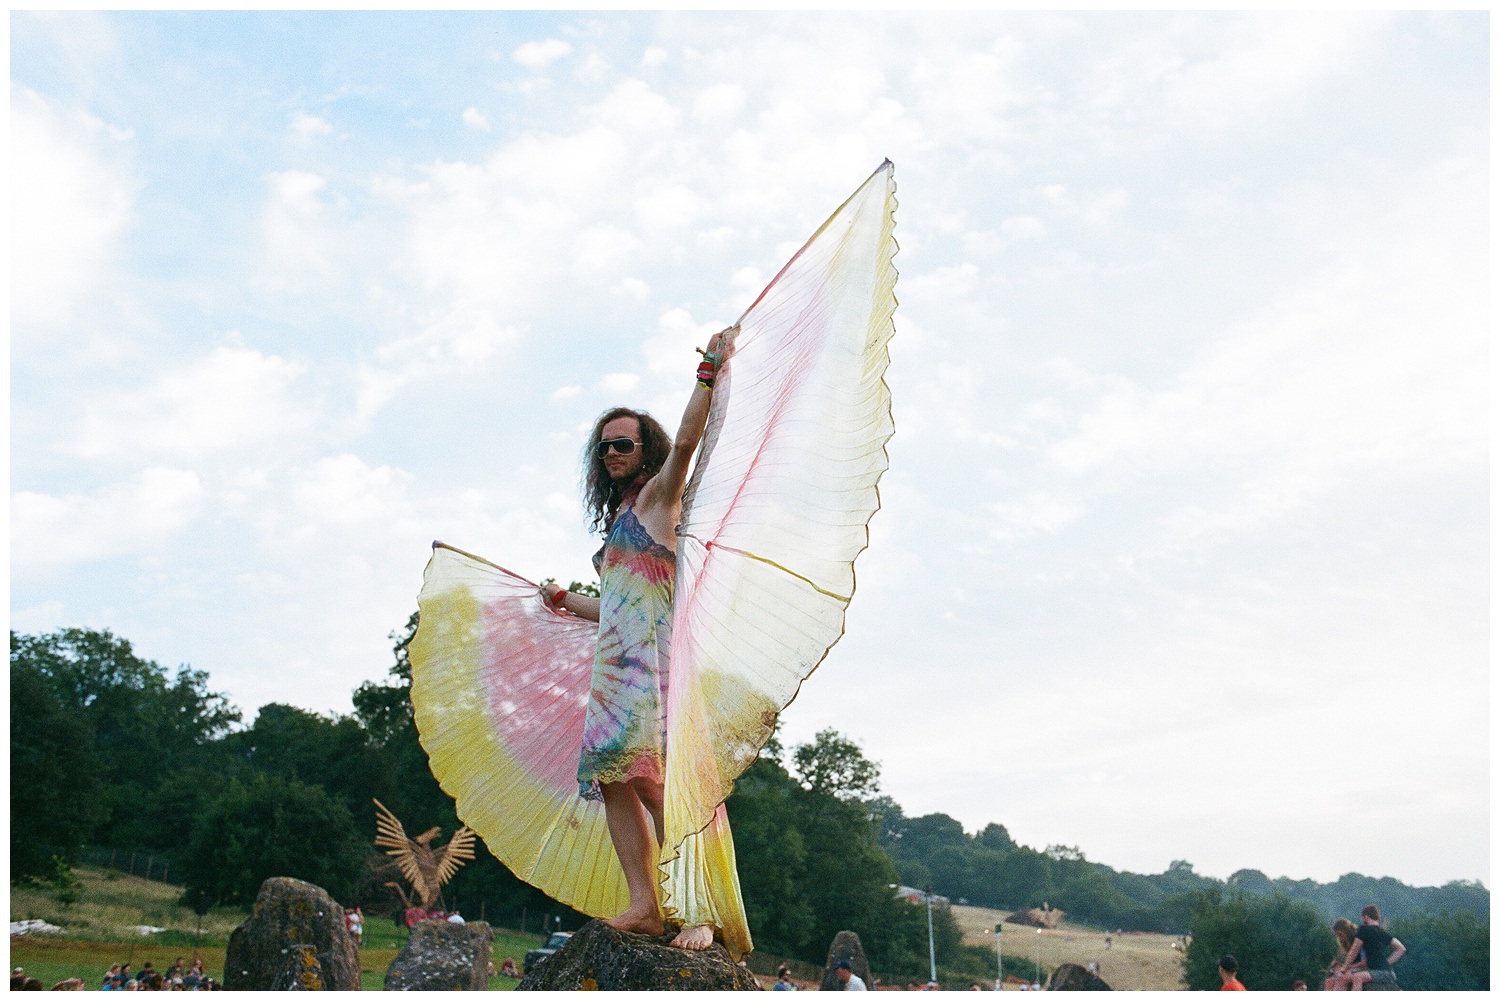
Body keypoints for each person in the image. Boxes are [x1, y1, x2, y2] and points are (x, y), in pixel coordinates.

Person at [538, 330, 731, 951]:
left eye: (623, 443)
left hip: (656, 669)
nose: (611, 453)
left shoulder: (658, 501)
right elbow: (618, 609)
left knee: (658, 783)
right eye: (604, 447)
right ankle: (647, 907)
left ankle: (700, 909)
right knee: (617, 780)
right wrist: (568, 601)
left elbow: (689, 444)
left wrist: (707, 370)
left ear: (644, 449)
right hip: (615, 673)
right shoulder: (619, 521)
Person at [1340, 905, 1405, 991]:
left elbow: (1354, 950)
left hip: (1382, 973)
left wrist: (1344, 967)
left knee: (1357, 977)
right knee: (1343, 979)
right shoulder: (1382, 932)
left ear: (1366, 917)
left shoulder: (1363, 929)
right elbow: (1401, 949)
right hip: (1386, 972)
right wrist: (1387, 962)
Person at [1325, 918, 1364, 990]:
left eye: (1340, 935)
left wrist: (1347, 968)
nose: (1339, 938)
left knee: (1341, 979)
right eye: (1337, 936)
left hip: (1362, 969)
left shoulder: (1359, 940)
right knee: (1329, 981)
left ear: (1346, 931)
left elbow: (1364, 962)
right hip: (1353, 969)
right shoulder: (1347, 944)